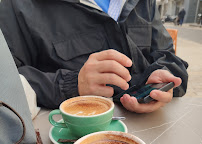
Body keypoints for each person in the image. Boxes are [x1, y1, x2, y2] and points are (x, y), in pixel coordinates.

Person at [0, 0, 188, 114]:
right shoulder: (18, 6)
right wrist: (71, 85)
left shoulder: (143, 2)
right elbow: (6, 81)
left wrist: (162, 80)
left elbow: (169, 58)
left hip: (153, 134)